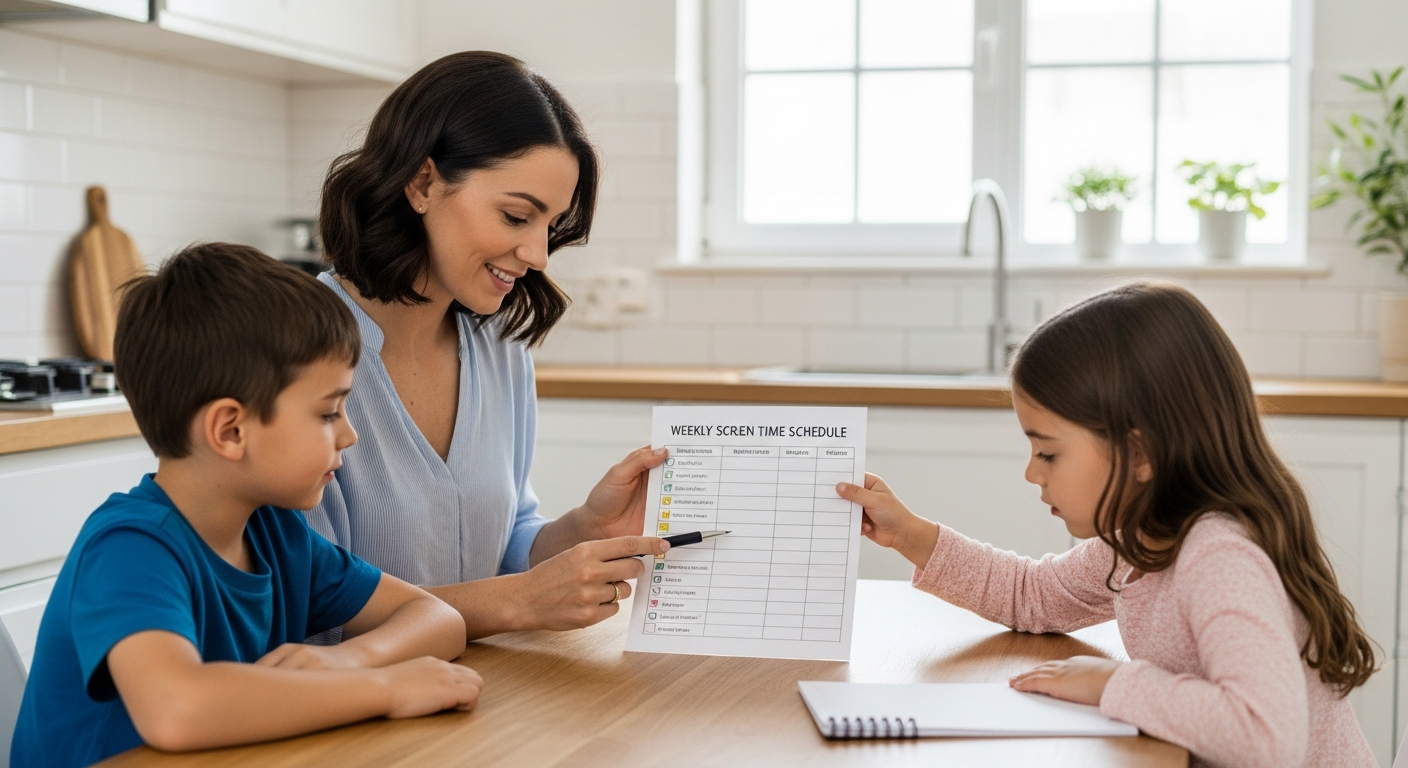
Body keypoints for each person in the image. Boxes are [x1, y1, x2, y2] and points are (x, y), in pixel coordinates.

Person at [837, 282, 1377, 767]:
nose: (1031, 473)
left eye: (1047, 453)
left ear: (1139, 453)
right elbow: (1035, 595)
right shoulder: (1140, 541)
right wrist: (908, 534)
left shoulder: (1218, 557)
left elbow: (1265, 738)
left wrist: (1115, 681)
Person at [11, 244, 482, 767]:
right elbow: (177, 709)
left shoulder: (277, 534)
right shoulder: (129, 549)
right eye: (328, 413)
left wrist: (352, 660)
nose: (350, 435)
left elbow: (438, 618)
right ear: (231, 430)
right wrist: (385, 688)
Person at [310, 50, 667, 640]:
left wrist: (585, 526)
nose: (538, 255)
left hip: (476, 697)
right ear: (423, 182)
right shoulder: (290, 351)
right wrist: (515, 604)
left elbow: (505, 548)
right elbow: (306, 607)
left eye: (549, 226)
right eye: (515, 216)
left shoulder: (498, 345)